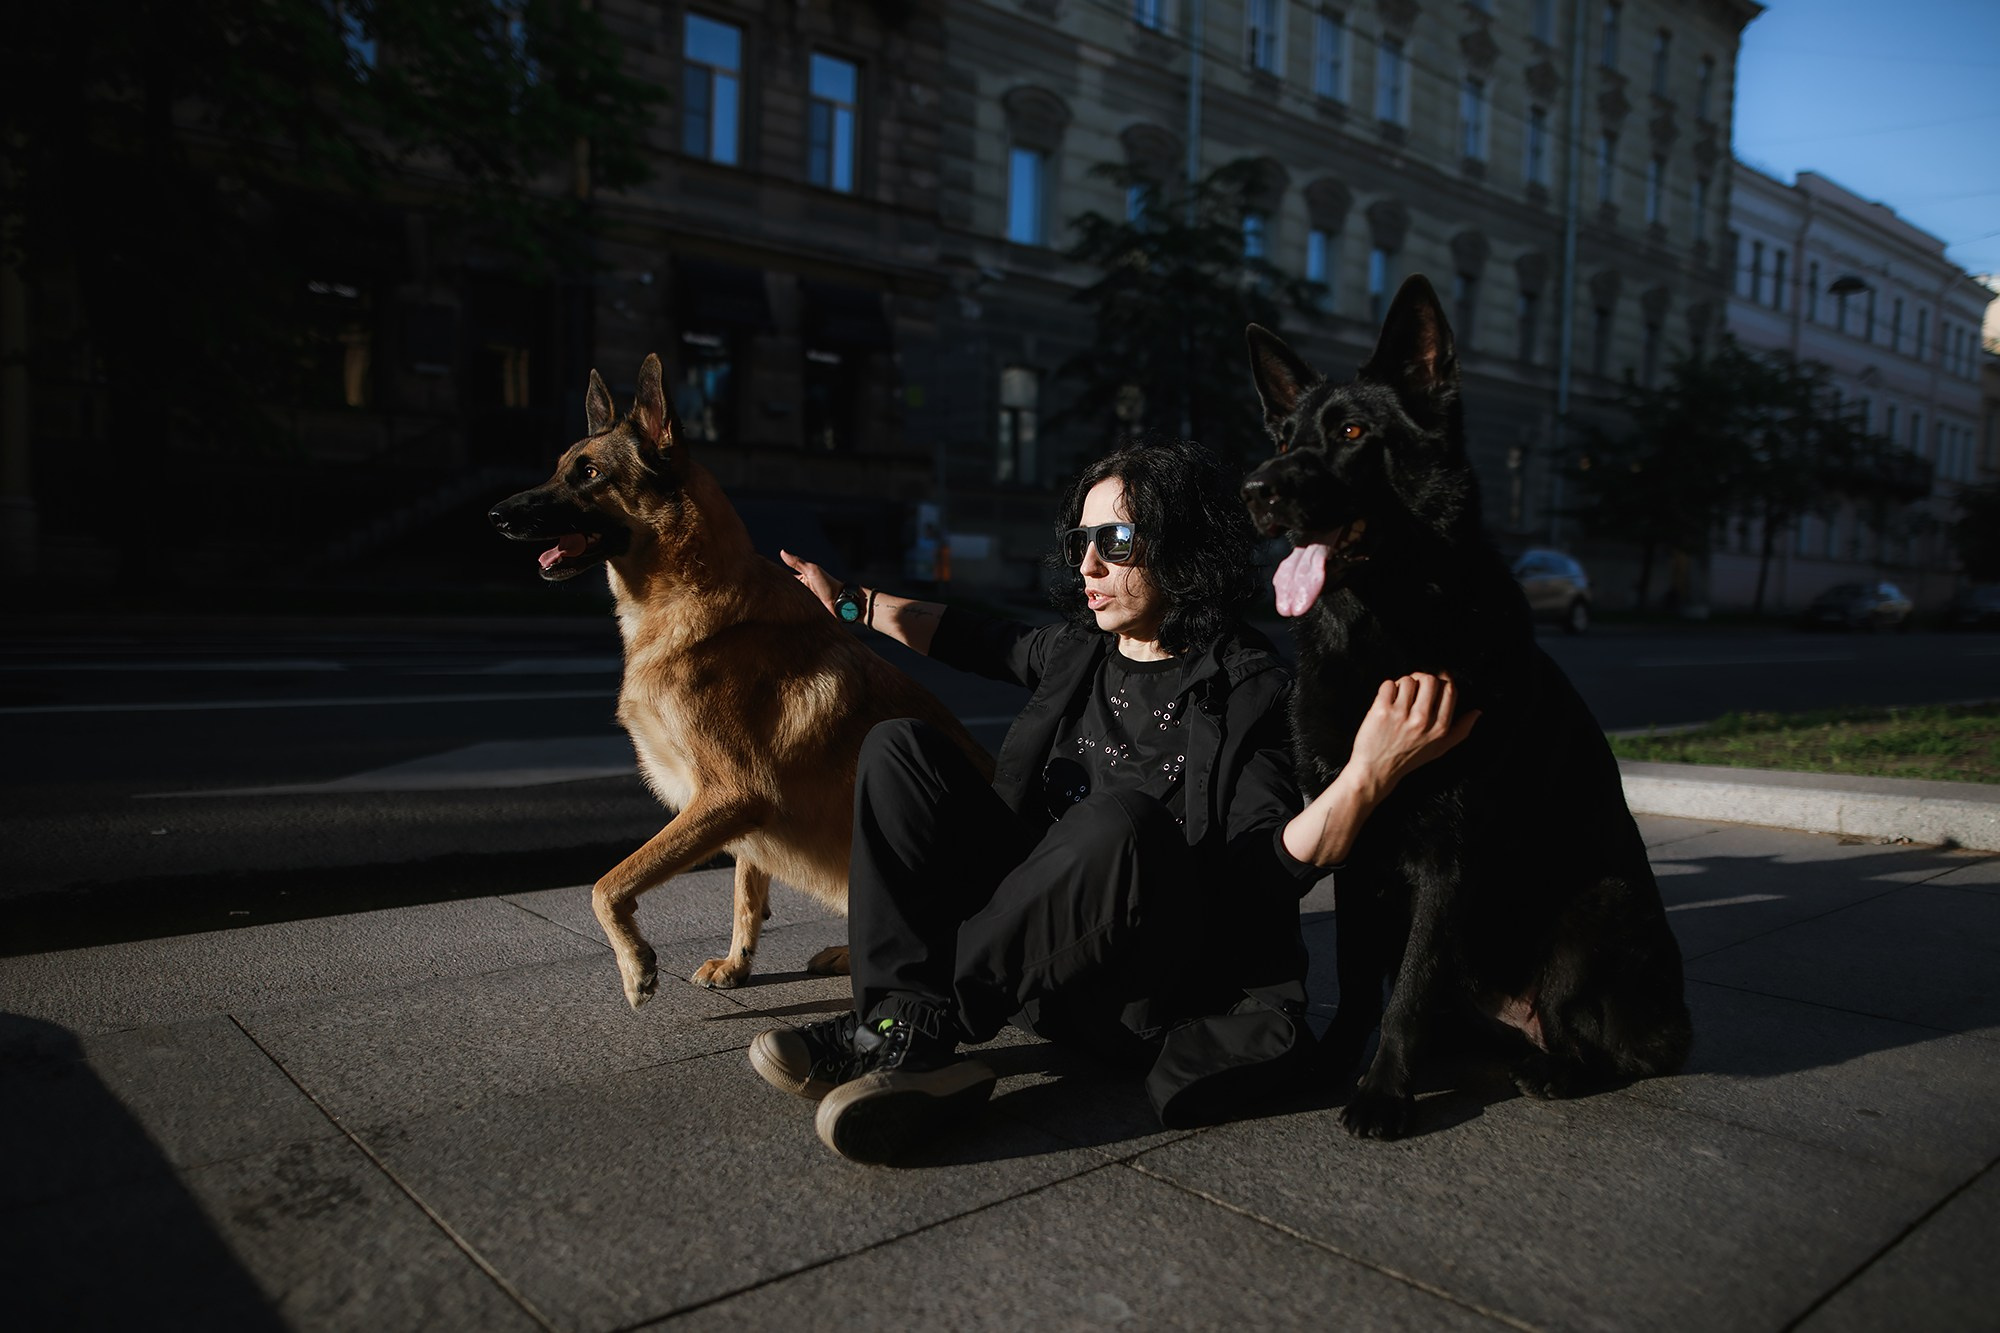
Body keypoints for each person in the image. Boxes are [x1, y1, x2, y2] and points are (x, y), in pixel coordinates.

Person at [758, 436, 1476, 1163]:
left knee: (1118, 819)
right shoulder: (1081, 650)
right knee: (898, 747)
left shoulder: (1249, 691)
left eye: (1118, 541)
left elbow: (1266, 866)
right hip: (1035, 971)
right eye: (1082, 540)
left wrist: (1367, 775)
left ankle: (920, 1024)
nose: (1089, 564)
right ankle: (896, 1030)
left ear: (1181, 546)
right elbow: (974, 636)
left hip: (1141, 989)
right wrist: (853, 603)